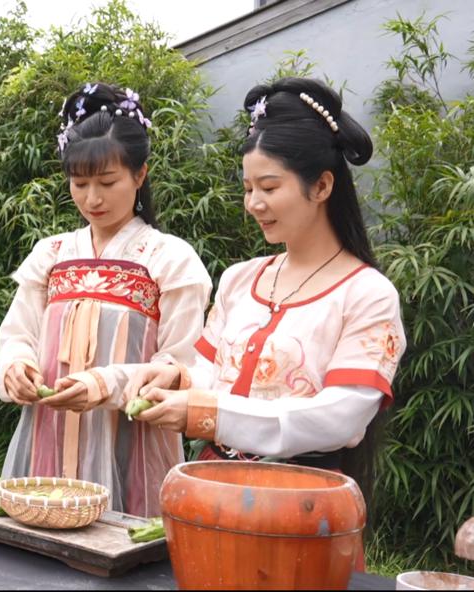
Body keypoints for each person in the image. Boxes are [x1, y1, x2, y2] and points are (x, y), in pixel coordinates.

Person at [125, 77, 407, 476]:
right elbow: (215, 373)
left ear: (322, 185)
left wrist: (207, 413)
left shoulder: (367, 294)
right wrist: (179, 378)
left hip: (300, 501)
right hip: (208, 485)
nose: (254, 204)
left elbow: (340, 416)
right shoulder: (240, 279)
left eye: (269, 187)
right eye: (248, 188)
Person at [0, 82, 212, 515]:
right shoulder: (51, 254)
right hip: (47, 435)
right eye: (79, 183)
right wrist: (17, 367)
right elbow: (18, 334)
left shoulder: (170, 259)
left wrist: (105, 384)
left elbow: (182, 364)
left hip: (131, 439)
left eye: (107, 182)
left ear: (140, 175)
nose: (92, 198)